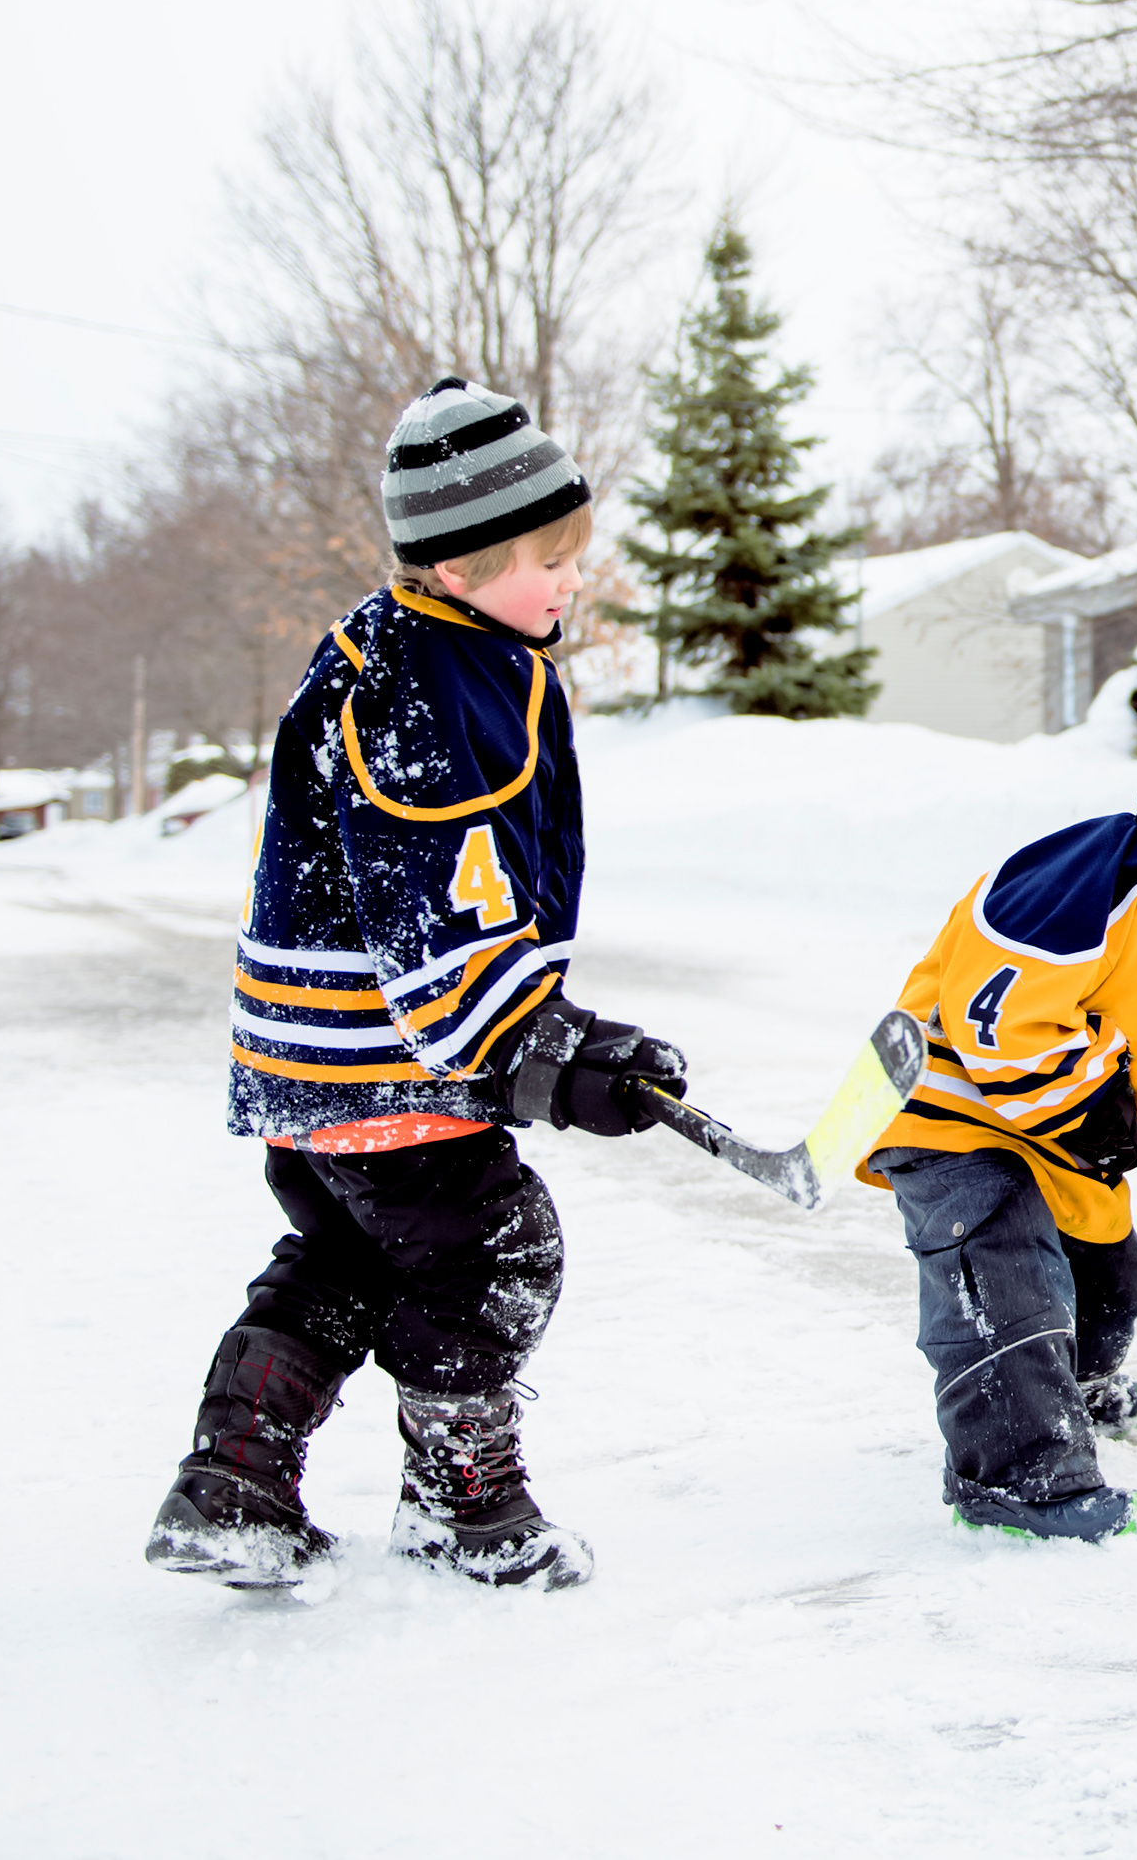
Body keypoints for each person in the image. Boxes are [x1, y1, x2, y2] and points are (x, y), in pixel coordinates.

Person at [148, 376, 682, 1595]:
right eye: (540, 556)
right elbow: (438, 905)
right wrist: (545, 1048)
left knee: (350, 1251)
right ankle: (463, 1503)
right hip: (386, 1052)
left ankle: (232, 1480)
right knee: (496, 1249)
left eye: (566, 550)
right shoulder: (428, 684)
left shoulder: (420, 649)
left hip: (313, 1062)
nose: (564, 578)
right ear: (457, 559)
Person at [857, 688, 1137, 1542]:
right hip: (961, 1119)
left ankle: (1066, 1383)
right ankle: (1023, 1471)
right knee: (1008, 1273)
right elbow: (998, 1008)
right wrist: (1086, 1089)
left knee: (1114, 1277)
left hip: (1062, 1138)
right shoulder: (1092, 875)